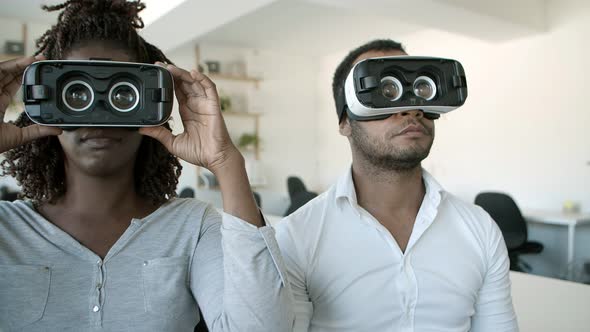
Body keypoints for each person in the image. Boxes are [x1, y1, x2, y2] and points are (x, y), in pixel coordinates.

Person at [0, 1, 291, 331]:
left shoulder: (192, 228)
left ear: (153, 103)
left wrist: (226, 162)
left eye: (122, 95)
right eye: (76, 94)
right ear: (47, 102)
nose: (100, 117)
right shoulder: (7, 229)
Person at [274, 39, 519, 331]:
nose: (410, 109)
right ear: (344, 121)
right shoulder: (296, 238)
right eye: (386, 91)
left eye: (419, 90)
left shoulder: (480, 230)